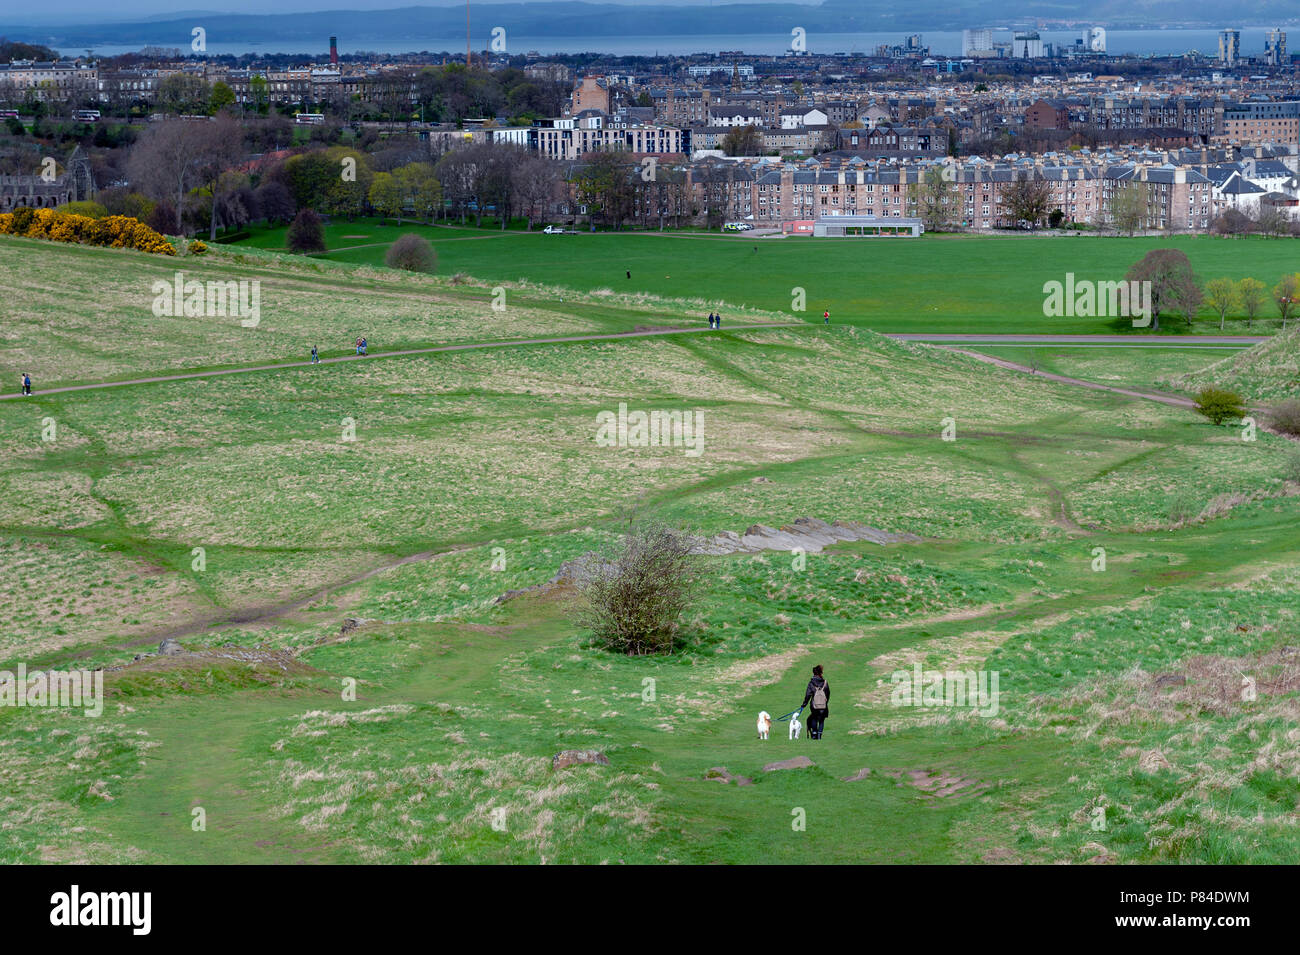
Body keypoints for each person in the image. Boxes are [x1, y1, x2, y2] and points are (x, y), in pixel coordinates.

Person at [801, 665, 830, 739]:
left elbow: (808, 694)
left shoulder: (811, 683)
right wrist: (825, 702)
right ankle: (819, 735)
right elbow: (828, 694)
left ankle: (814, 734)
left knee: (814, 718)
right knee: (821, 720)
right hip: (823, 705)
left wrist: (804, 704)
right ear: (821, 673)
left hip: (814, 705)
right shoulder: (825, 683)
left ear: (813, 673)